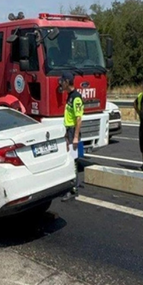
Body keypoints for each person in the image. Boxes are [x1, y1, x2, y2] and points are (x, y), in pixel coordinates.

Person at [60, 71, 84, 201]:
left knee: (74, 161)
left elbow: (79, 119)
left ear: (67, 82)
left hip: (74, 131)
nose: (61, 83)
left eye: (62, 81)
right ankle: (73, 186)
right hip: (69, 130)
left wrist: (75, 137)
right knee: (71, 159)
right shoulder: (69, 96)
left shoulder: (76, 97)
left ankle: (73, 189)